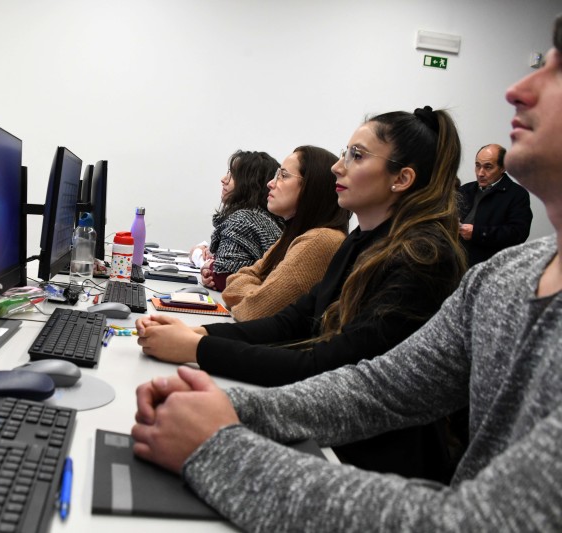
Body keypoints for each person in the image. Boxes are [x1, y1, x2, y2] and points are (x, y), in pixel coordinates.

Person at [131, 15, 562, 532]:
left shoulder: (426, 255)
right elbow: (373, 386)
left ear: (402, 179)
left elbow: (478, 522)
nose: (516, 89)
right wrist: (228, 405)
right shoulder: (501, 279)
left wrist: (216, 439)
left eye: (559, 67)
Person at [136, 106, 467, 479]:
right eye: (344, 153)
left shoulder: (422, 258)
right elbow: (294, 320)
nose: (337, 167)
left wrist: (197, 349)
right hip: (333, 429)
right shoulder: (361, 241)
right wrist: (201, 333)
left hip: (379, 462)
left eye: (356, 156)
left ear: (402, 178)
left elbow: (327, 364)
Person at [221, 146, 350, 321]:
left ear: (312, 186)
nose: (271, 183)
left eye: (283, 175)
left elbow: (255, 312)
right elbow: (233, 284)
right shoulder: (294, 234)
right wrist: (256, 294)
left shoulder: (320, 240)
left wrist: (255, 296)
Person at [191, 150, 283, 291]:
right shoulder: (265, 218)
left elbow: (222, 278)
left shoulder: (243, 219)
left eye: (232, 175)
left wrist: (199, 258)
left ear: (250, 184)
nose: (223, 179)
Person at [458, 143, 533, 265]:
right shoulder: (465, 190)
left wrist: (477, 233)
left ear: (503, 167)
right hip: (456, 264)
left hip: (489, 266)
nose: (480, 173)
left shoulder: (516, 194)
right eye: (477, 166)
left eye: (488, 167)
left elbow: (518, 233)